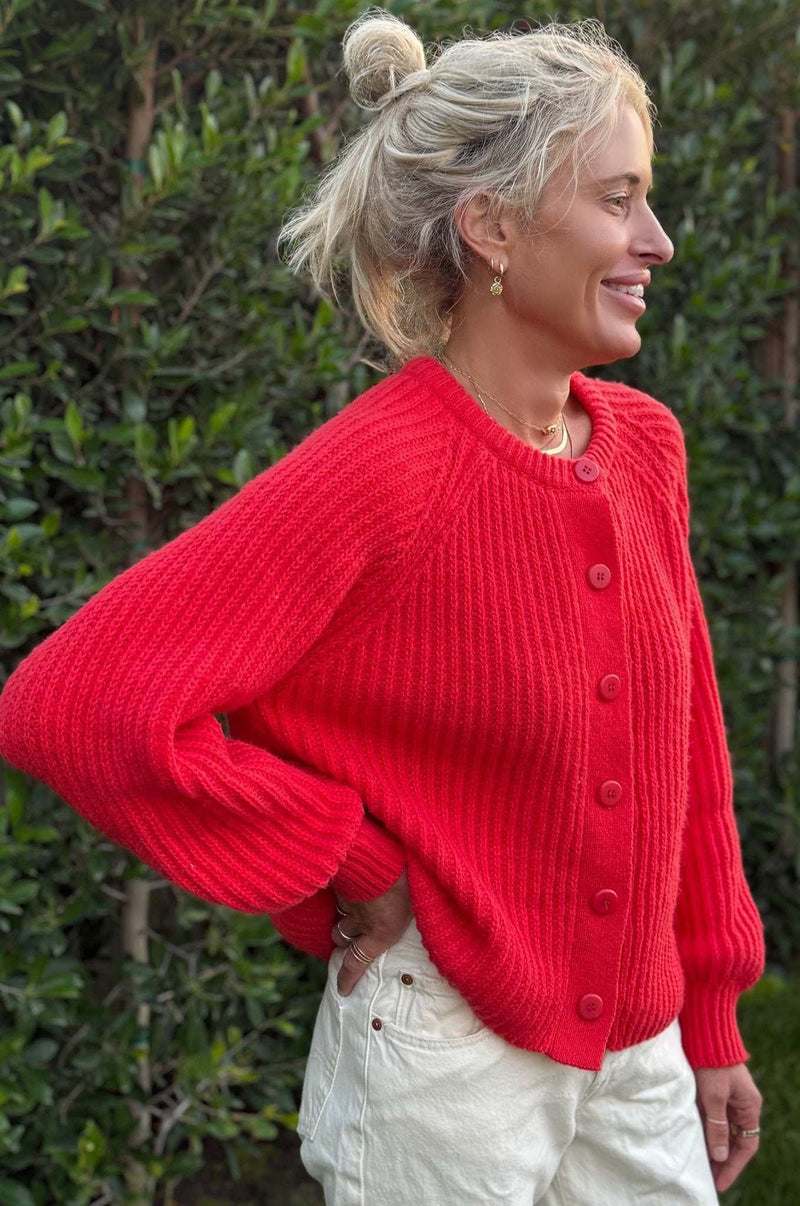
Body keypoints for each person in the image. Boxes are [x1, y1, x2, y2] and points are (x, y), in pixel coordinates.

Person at [0, 9, 764, 1205]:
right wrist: (346, 856)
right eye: (617, 200)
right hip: (440, 1058)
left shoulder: (642, 450)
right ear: (491, 226)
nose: (654, 241)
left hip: (637, 1059)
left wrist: (710, 1013)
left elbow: (686, 749)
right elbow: (74, 702)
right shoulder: (382, 472)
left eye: (646, 200)